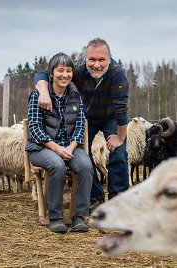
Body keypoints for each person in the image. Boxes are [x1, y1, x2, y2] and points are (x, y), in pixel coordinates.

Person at [34, 38, 129, 211]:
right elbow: (43, 73)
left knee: (119, 153)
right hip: (87, 116)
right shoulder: (78, 70)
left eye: (102, 60)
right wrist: (43, 92)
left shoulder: (117, 74)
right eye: (92, 59)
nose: (97, 65)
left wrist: (120, 137)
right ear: (85, 59)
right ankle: (95, 197)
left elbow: (121, 109)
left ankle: (118, 200)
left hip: (111, 117)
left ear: (110, 59)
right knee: (83, 154)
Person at [26, 52, 93, 233]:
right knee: (57, 165)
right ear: (51, 74)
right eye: (60, 71)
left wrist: (71, 147)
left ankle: (79, 217)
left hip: (69, 146)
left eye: (68, 71)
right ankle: (55, 217)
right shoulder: (37, 97)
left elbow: (80, 127)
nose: (65, 75)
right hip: (42, 147)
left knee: (86, 165)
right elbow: (34, 128)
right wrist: (56, 148)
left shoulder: (75, 98)